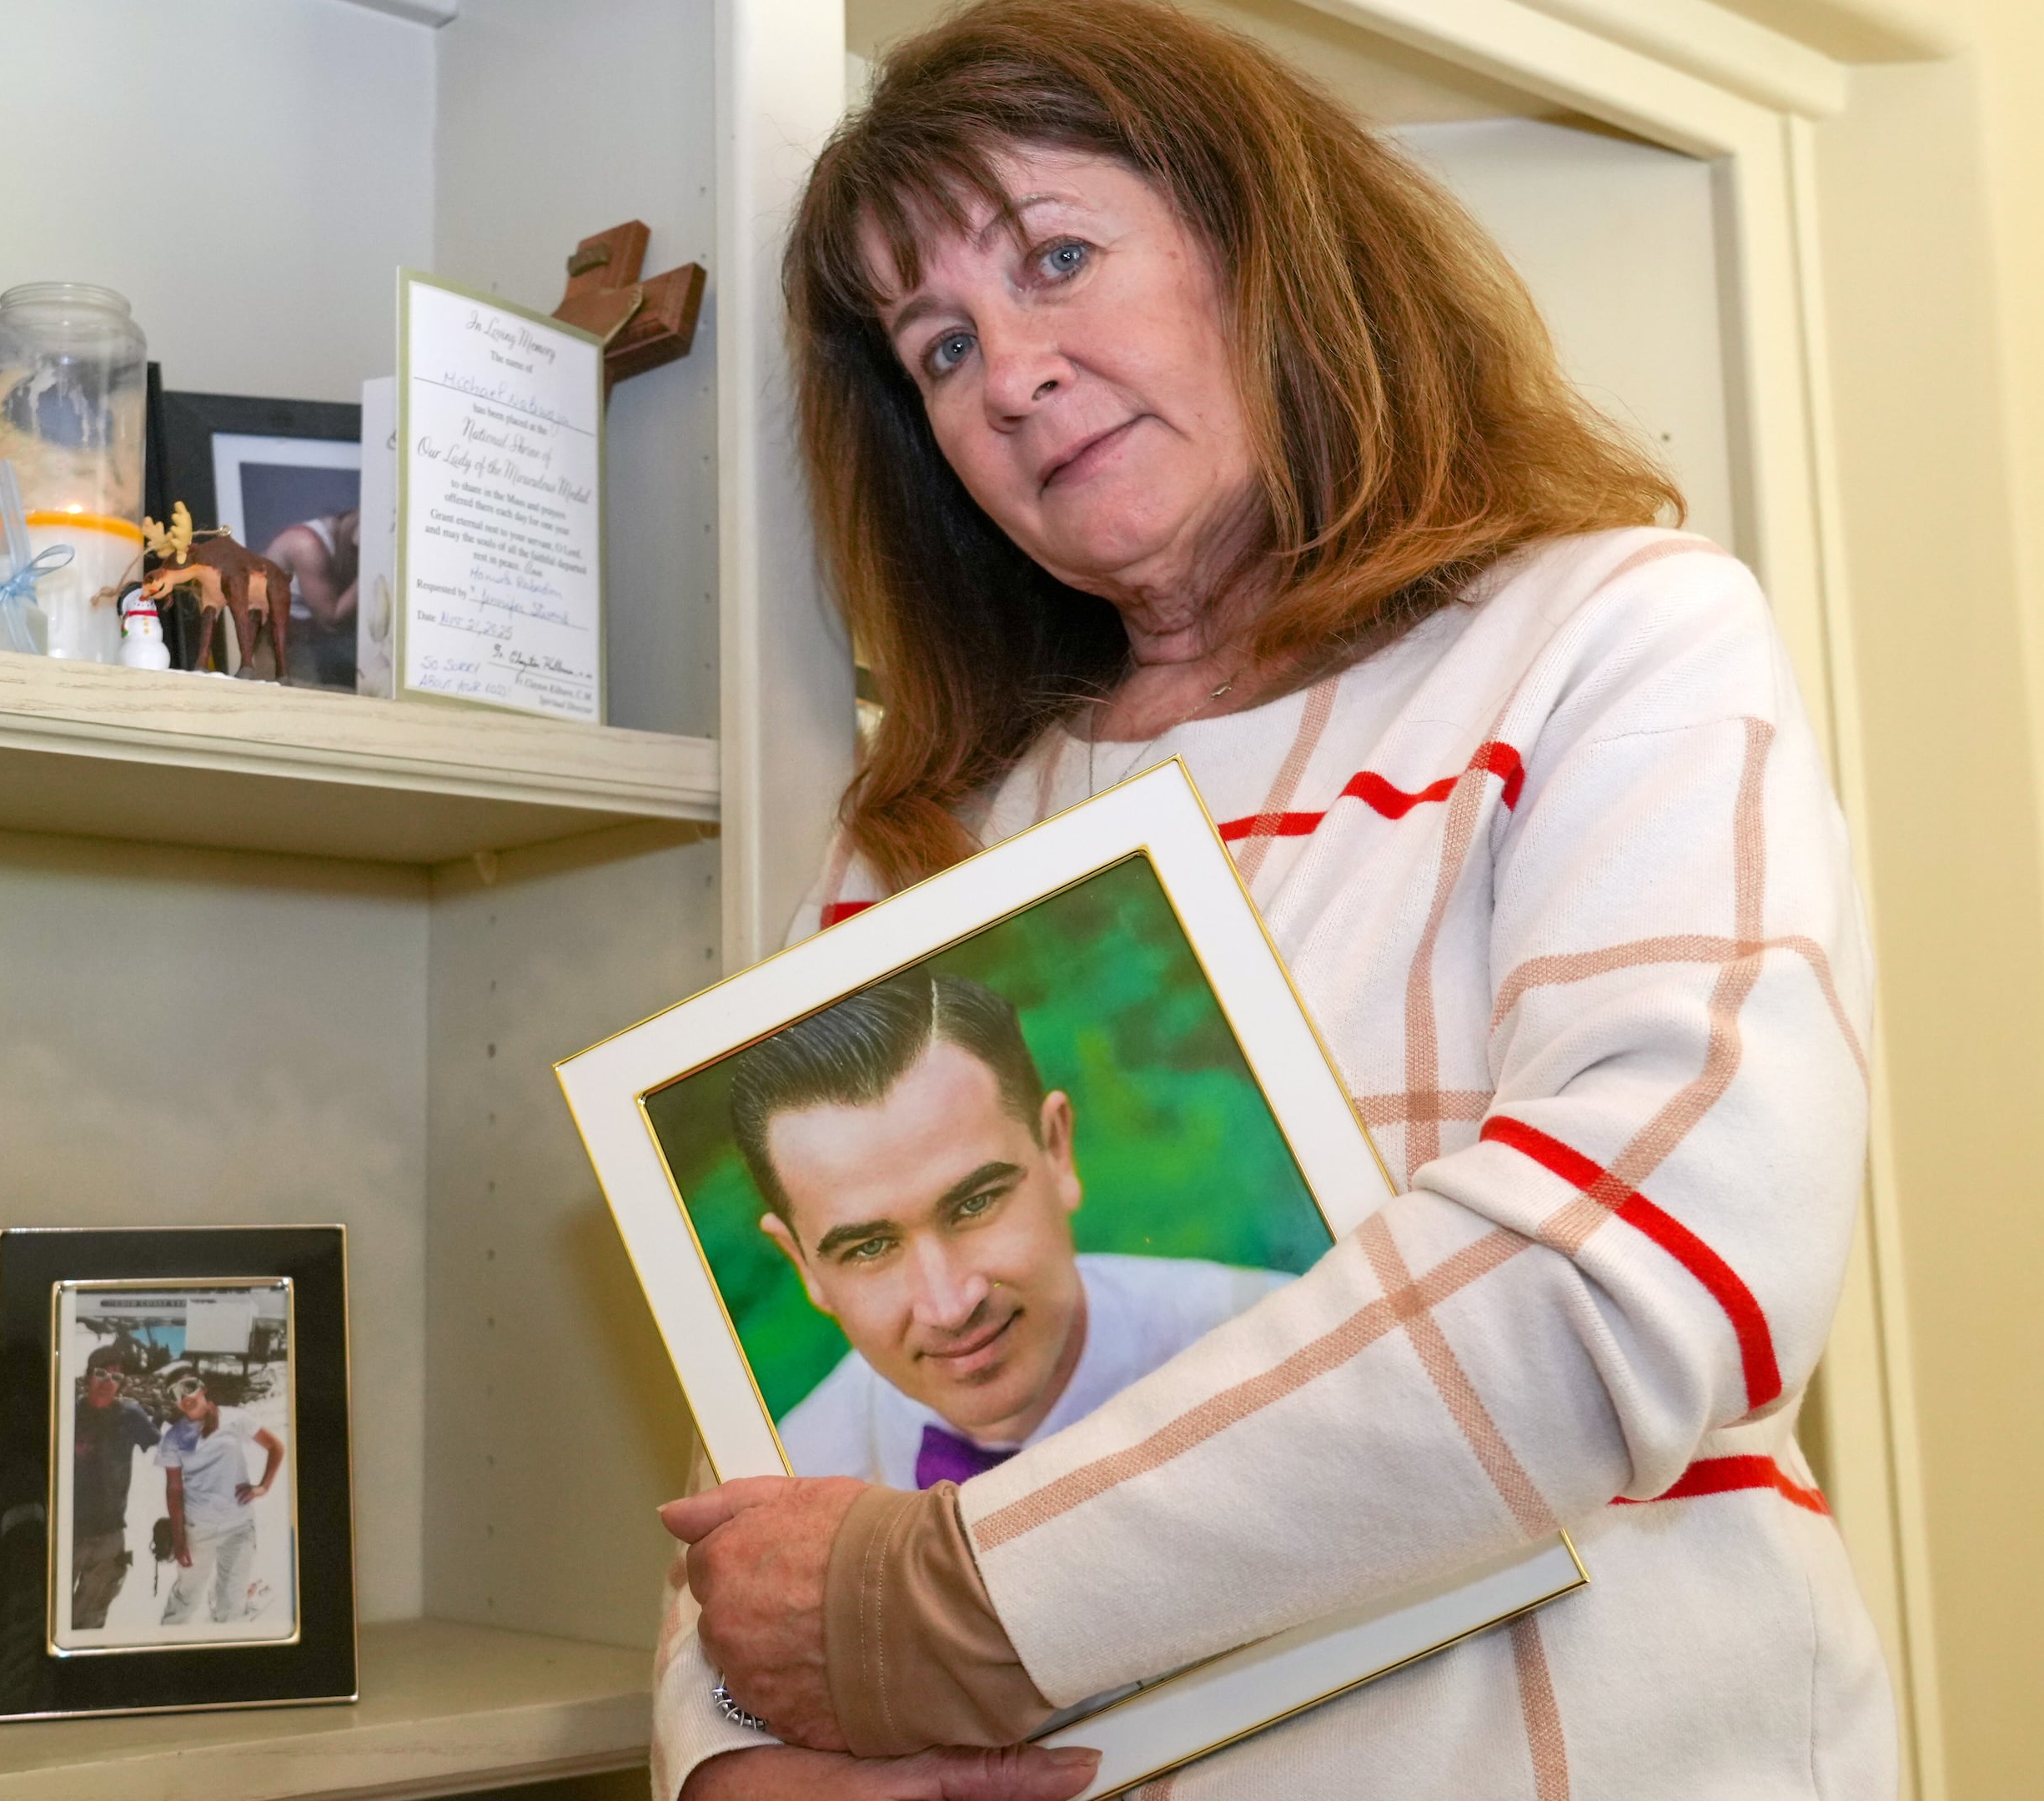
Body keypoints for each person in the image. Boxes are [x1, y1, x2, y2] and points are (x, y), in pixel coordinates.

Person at [656, 4, 1887, 1799]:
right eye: (939, 348)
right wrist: (732, 1758)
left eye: (1059, 260)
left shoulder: (1613, 633)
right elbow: (756, 1477)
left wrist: (957, 1603)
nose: (1006, 378)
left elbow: (1646, 1268)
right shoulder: (922, 831)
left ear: (1266, 244)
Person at [731, 970, 1288, 1491]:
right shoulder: (783, 1486)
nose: (949, 1307)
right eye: (870, 1247)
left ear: (1057, 1149)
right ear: (802, 1262)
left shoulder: (1280, 1339)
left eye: (975, 1204)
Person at [154, 1370, 284, 1628]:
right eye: (175, 1394)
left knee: (231, 1602)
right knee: (186, 1597)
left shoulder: (236, 1419)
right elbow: (174, 1489)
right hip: (197, 1529)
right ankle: (167, 1651)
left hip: (238, 1527)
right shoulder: (174, 1437)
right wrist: (179, 1540)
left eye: (188, 1387)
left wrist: (264, 1487)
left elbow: (275, 1447)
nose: (184, 1396)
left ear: (202, 1388)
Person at [68, 1344, 160, 1631]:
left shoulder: (130, 1416)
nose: (109, 1383)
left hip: (109, 1535)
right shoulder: (66, 1414)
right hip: (66, 1532)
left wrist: (173, 1518)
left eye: (116, 1378)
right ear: (87, 1376)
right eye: (101, 1374)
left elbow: (171, 1454)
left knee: (91, 1618)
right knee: (48, 1615)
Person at [264, 504, 359, 687]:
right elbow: (331, 620)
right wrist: (374, 569)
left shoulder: (343, 539)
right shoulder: (306, 546)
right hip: (275, 640)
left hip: (309, 638)